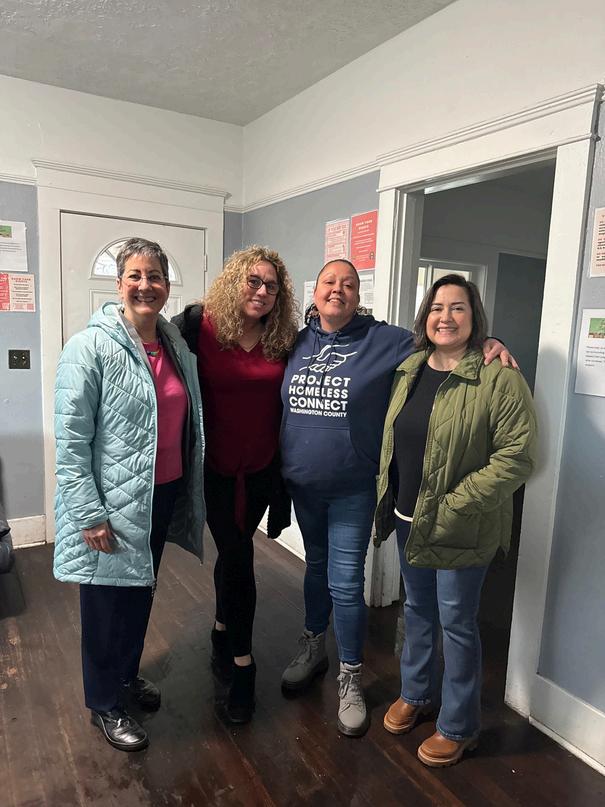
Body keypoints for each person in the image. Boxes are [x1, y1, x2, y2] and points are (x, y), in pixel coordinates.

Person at [279, 259, 515, 737]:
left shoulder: (387, 341)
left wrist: (489, 342)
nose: (338, 290)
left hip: (355, 487)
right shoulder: (293, 342)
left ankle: (351, 675)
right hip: (307, 485)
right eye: (329, 282)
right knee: (320, 569)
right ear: (314, 291)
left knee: (348, 583)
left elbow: (443, 339)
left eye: (349, 284)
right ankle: (315, 646)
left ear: (358, 295)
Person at [375, 273, 537, 766]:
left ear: (475, 317)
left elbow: (517, 457)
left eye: (458, 307)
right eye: (437, 307)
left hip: (461, 523)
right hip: (408, 517)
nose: (445, 317)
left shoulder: (499, 377)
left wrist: (456, 504)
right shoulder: (409, 369)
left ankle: (459, 725)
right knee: (417, 611)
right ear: (425, 316)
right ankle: (416, 693)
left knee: (457, 623)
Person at [54, 238, 205, 752]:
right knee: (104, 606)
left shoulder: (175, 346)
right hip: (110, 505)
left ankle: (123, 676)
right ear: (119, 284)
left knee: (139, 592)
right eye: (135, 276)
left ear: (167, 285)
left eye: (155, 276)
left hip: (159, 494)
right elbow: (71, 441)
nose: (146, 285)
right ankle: (104, 702)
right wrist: (89, 513)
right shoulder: (88, 348)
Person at [173, 245, 298, 724]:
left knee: (233, 552)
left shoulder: (284, 339)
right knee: (240, 554)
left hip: (263, 473)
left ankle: (222, 628)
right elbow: (144, 341)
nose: (262, 291)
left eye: (272, 286)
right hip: (216, 472)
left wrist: (485, 341)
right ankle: (243, 666)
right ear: (234, 282)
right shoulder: (196, 328)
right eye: (253, 281)